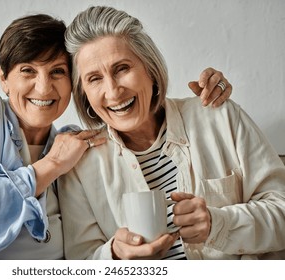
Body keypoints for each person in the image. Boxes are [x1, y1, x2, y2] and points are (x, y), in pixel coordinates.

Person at [0, 13, 232, 260]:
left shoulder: (76, 143)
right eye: (28, 71)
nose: (44, 87)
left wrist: (204, 102)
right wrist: (50, 166)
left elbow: (129, 111)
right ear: (3, 78)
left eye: (57, 72)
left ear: (74, 82)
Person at [58, 5, 285, 260]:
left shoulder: (219, 116)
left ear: (150, 70)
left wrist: (218, 223)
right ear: (84, 94)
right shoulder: (79, 167)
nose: (112, 92)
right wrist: (113, 256)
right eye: (94, 79)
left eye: (122, 68)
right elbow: (80, 263)